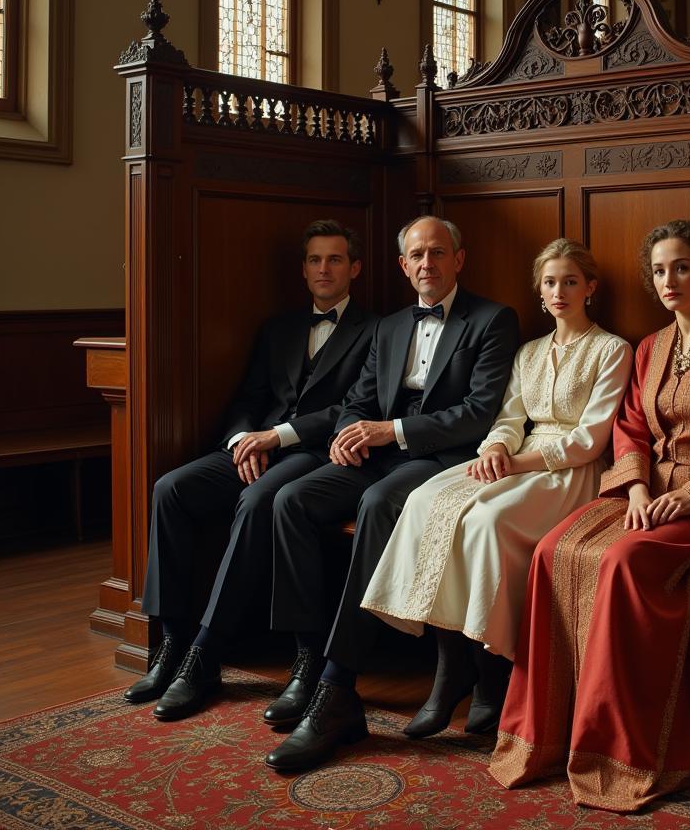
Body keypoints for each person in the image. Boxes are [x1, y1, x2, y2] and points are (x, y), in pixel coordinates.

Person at [489, 219, 690, 813]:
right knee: (554, 550)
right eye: (658, 270)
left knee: (624, 560)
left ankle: (624, 749)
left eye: (681, 267)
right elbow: (629, 429)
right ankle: (546, 738)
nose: (669, 280)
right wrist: (631, 490)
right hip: (642, 494)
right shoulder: (652, 347)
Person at [263, 215, 519, 772]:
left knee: (377, 504)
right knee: (291, 501)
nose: (427, 264)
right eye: (416, 256)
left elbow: (478, 415)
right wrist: (350, 435)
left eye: (437, 253)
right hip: (377, 453)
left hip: (441, 458)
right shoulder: (390, 326)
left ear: (459, 258)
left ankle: (337, 686)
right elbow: (359, 397)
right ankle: (308, 659)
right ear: (403, 266)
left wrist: (394, 431)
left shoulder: (493, 319)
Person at [362, 238, 632, 739]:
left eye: (570, 281)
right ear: (540, 291)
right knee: (425, 501)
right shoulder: (529, 352)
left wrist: (516, 463)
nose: (559, 292)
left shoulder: (612, 350)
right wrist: (494, 451)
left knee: (486, 522)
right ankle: (450, 669)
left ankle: (491, 673)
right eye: (550, 283)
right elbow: (508, 418)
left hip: (570, 471)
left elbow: (590, 439)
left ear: (590, 288)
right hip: (516, 458)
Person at [124, 219, 377, 720]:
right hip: (256, 444)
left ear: (355, 268)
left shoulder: (376, 329)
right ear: (303, 269)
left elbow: (350, 407)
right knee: (170, 489)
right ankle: (171, 643)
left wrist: (277, 437)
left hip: (313, 451)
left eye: (334, 259)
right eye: (314, 260)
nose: (323, 269)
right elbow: (250, 399)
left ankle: (207, 651)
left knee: (259, 501)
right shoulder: (278, 327)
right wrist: (244, 440)